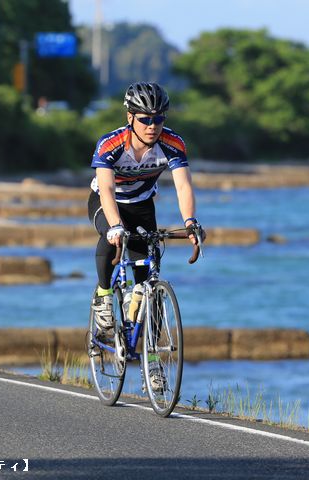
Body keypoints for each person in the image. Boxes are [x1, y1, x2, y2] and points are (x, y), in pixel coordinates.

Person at [87, 82, 204, 386]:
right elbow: (108, 190)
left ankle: (152, 361)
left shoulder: (172, 144)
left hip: (141, 207)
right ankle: (102, 298)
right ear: (130, 117)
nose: (153, 126)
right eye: (145, 119)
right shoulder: (110, 144)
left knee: (149, 283)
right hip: (107, 203)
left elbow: (183, 186)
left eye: (159, 119)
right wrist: (115, 227)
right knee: (110, 238)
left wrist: (190, 221)